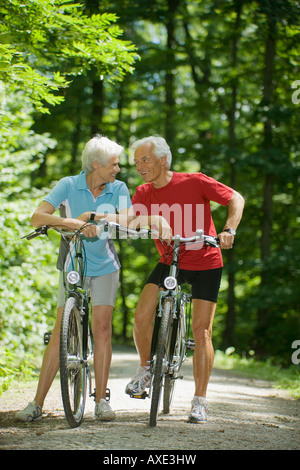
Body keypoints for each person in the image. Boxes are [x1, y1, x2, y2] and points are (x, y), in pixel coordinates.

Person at [125, 135, 244, 423]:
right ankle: (146, 369)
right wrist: (150, 221)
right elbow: (130, 219)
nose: (140, 165)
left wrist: (229, 229)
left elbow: (235, 198)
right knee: (141, 315)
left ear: (163, 160)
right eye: (136, 160)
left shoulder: (194, 181)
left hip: (205, 260)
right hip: (170, 260)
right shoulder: (143, 191)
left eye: (145, 159)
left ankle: (200, 401)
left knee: (202, 330)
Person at [16, 135, 132, 423]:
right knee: (59, 332)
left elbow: (129, 221)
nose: (118, 169)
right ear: (96, 164)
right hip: (72, 263)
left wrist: (95, 217)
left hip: (106, 266)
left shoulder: (118, 188)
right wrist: (71, 222)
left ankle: (102, 400)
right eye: (114, 164)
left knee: (102, 329)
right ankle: (37, 403)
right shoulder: (68, 184)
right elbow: (37, 217)